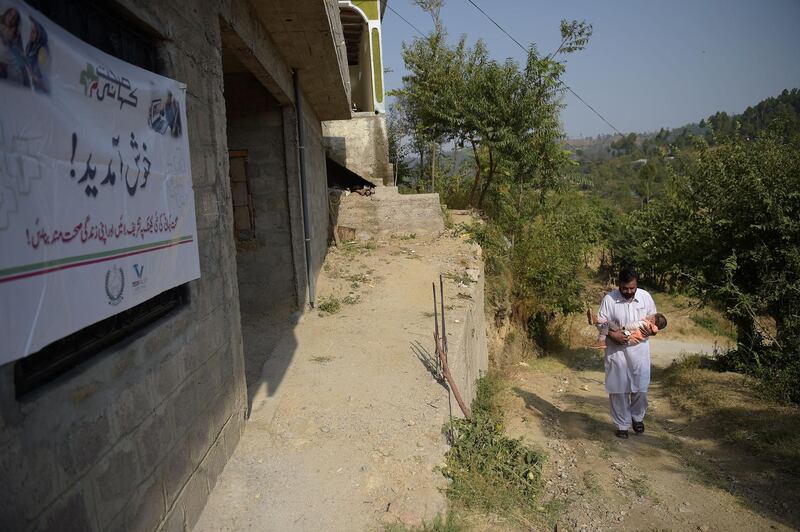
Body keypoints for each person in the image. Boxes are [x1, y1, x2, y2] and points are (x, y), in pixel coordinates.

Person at [596, 267, 658, 438]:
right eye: (625, 288)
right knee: (619, 390)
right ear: (619, 284)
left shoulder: (645, 297)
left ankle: (637, 418)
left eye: (632, 288)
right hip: (617, 352)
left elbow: (654, 320)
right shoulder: (609, 299)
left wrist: (651, 331)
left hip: (639, 352)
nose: (629, 291)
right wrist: (612, 334)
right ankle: (622, 425)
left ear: (636, 284)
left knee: (640, 389)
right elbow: (600, 322)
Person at [588, 310, 667, 349]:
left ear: (653, 320)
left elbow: (634, 325)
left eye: (652, 316)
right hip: (629, 339)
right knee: (610, 324)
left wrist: (624, 327)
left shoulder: (645, 324)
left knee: (608, 324)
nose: (650, 316)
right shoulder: (651, 329)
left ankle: (601, 340)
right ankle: (596, 320)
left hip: (626, 334)